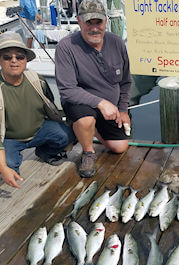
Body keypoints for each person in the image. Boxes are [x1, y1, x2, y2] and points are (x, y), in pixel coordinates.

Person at [0, 32, 75, 188]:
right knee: (6, 167)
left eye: (19, 57)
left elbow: (51, 106)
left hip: (40, 129)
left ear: (26, 60)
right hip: (10, 138)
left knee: (67, 135)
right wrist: (4, 168)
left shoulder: (37, 79)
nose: (14, 61)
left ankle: (44, 152)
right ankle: (4, 166)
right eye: (7, 57)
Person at [55, 0, 131, 178]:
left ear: (106, 21)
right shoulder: (66, 47)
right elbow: (67, 89)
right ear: (79, 21)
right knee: (86, 120)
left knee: (120, 147)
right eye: (89, 22)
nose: (94, 28)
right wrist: (101, 103)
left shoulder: (117, 43)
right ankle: (88, 152)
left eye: (98, 22)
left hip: (111, 108)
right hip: (81, 103)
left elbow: (126, 81)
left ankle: (92, 130)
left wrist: (123, 109)